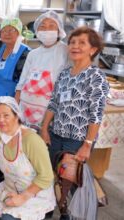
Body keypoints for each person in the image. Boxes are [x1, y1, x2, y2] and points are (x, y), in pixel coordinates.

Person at [40, 27, 108, 180]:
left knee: (68, 180)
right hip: (56, 134)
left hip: (77, 140)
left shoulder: (96, 76)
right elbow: (54, 103)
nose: (75, 46)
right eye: (72, 42)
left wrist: (87, 144)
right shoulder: (65, 73)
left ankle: (69, 204)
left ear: (93, 49)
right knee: (52, 174)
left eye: (82, 43)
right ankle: (54, 202)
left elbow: (96, 114)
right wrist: (44, 128)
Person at [0, 18, 30, 183]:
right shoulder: (3, 48)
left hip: (11, 99)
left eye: (12, 30)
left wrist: (14, 105)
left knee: (8, 137)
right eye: (4, 30)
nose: (7, 33)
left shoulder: (25, 52)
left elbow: (23, 81)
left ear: (19, 33)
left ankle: (6, 173)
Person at [15, 11, 70, 131]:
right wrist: (15, 108)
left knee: (42, 147)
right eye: (42, 26)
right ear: (37, 31)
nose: (46, 30)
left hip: (47, 114)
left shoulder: (66, 51)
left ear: (59, 30)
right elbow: (21, 83)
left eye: (51, 26)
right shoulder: (33, 54)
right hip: (25, 109)